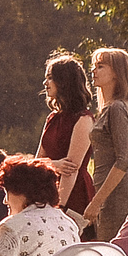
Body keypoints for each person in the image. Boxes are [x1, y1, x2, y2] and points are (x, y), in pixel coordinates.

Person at [80, 48, 128, 240]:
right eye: (94, 66)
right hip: (107, 196)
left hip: (118, 199)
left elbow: (122, 160)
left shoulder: (117, 108)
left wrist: (97, 202)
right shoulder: (109, 108)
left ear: (117, 73)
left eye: (101, 66)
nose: (94, 71)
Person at [36, 53, 96, 227]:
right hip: (48, 189)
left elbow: (71, 169)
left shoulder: (83, 120)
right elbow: (37, 160)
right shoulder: (52, 118)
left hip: (73, 193)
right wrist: (54, 164)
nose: (45, 83)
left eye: (50, 78)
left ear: (63, 81)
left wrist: (59, 207)